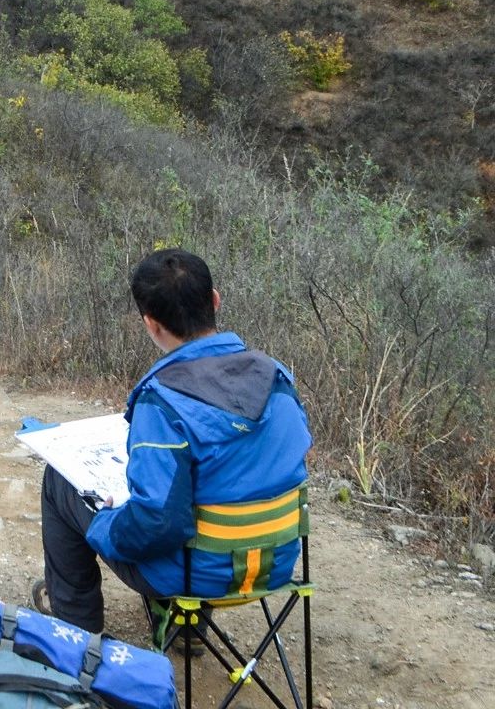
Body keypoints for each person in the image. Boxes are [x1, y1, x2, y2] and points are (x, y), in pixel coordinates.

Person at [39, 249, 311, 632]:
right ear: (215, 300)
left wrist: (103, 525)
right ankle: (188, 627)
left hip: (195, 575)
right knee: (213, 482)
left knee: (59, 482)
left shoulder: (163, 402)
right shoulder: (278, 380)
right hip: (276, 563)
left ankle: (75, 634)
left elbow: (156, 525)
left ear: (151, 324)